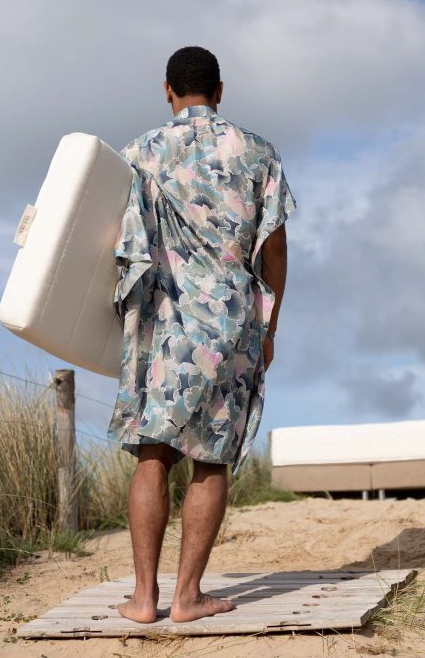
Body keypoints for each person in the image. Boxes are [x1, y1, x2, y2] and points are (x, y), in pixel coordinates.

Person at [106, 46, 296, 623]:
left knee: (153, 455)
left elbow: (113, 242)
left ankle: (144, 598)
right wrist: (271, 321)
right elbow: (275, 247)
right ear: (220, 89)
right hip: (231, 323)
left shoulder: (138, 154)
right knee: (210, 461)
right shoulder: (257, 151)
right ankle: (188, 596)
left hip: (163, 322)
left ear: (167, 90)